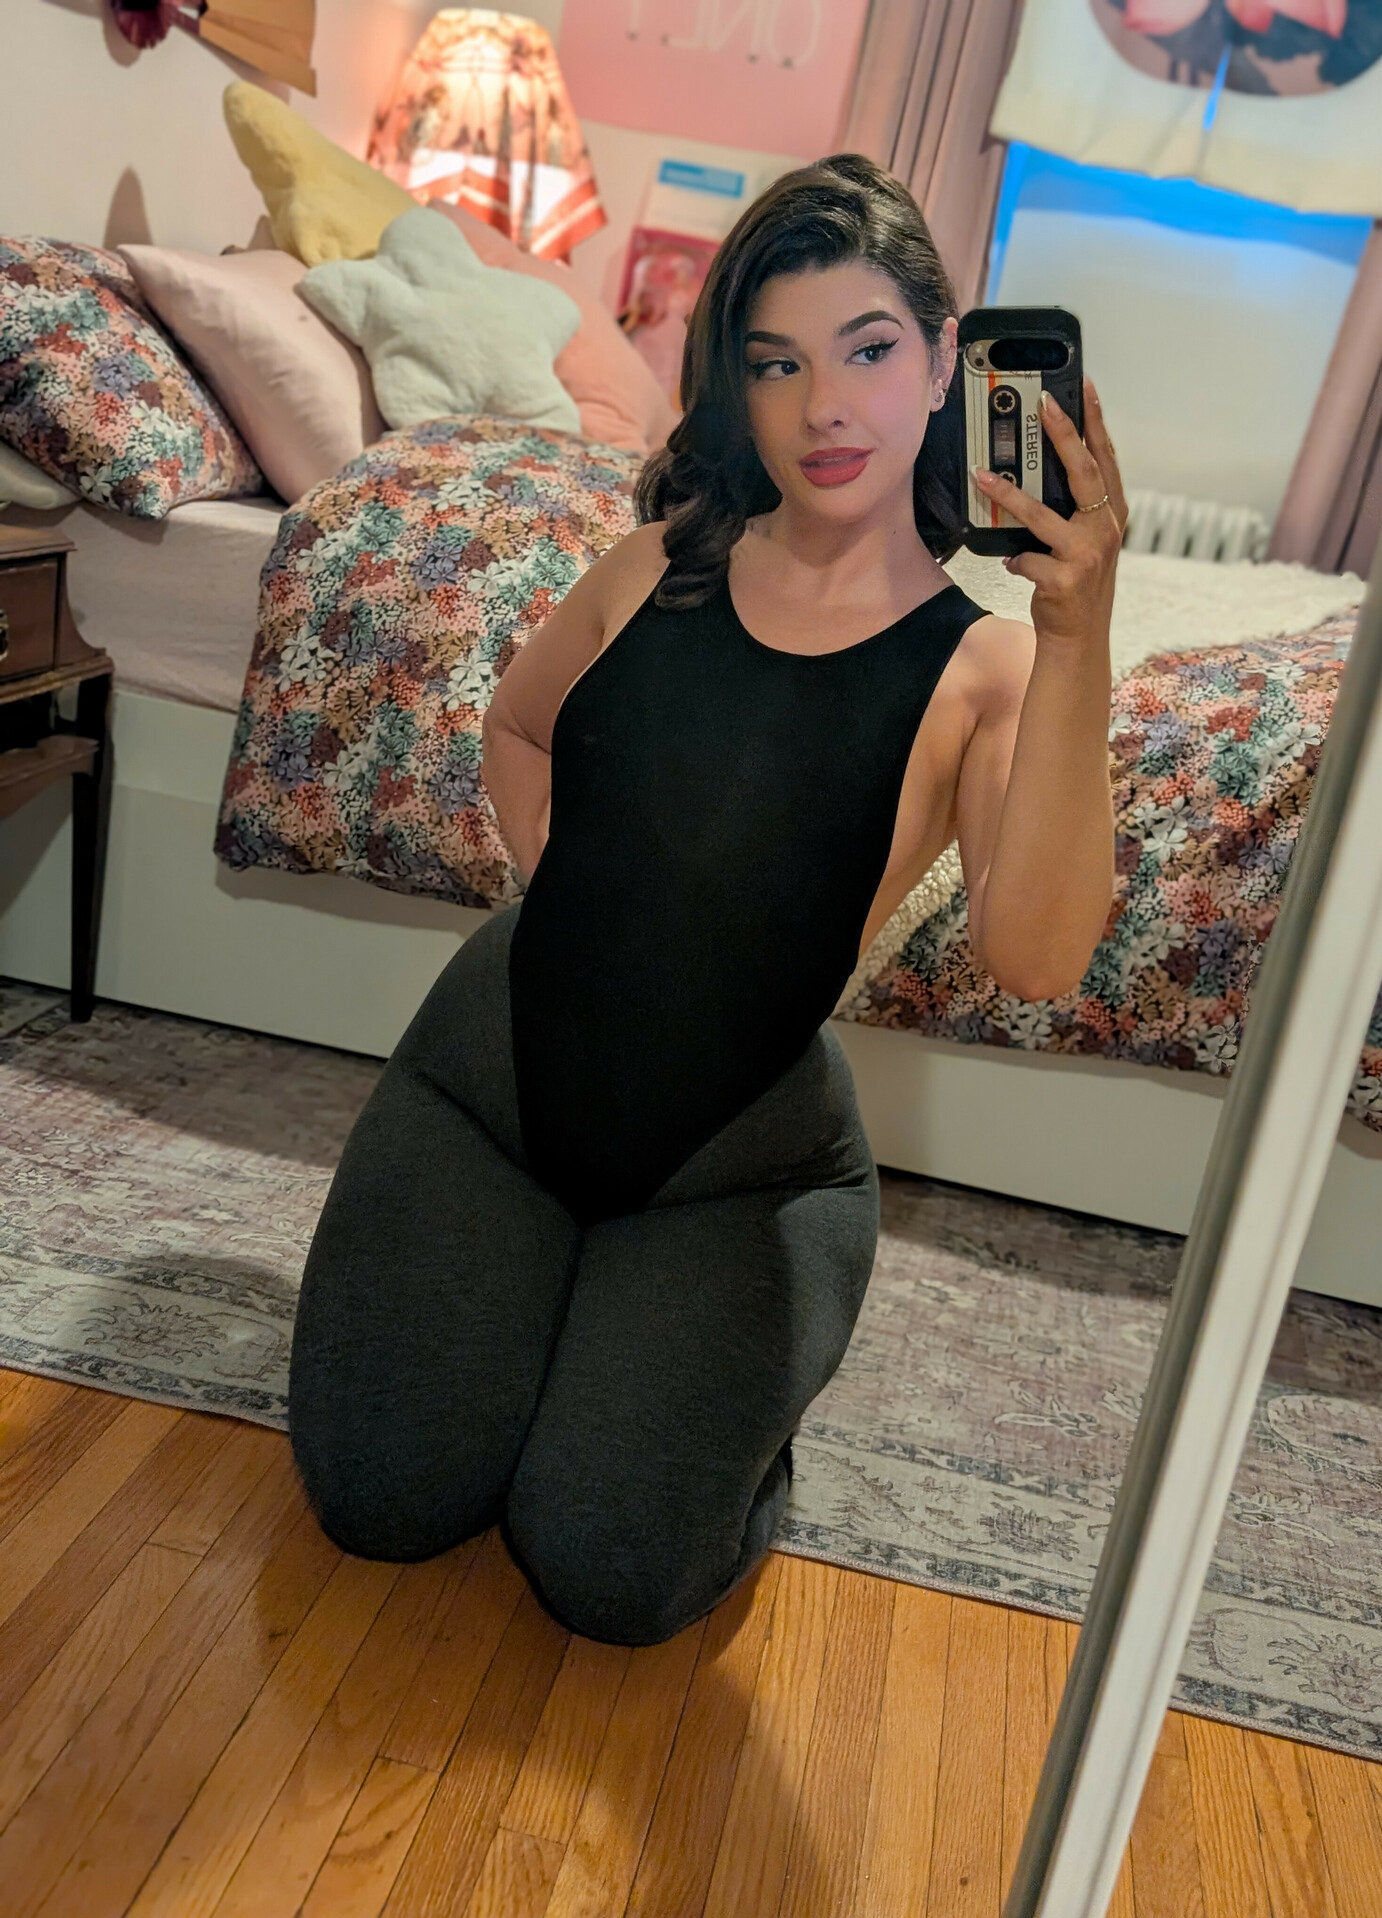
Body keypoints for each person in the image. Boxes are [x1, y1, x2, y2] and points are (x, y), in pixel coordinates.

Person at [287, 153, 1127, 1648]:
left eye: (868, 351)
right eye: (776, 362)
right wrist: (585, 906)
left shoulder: (989, 666)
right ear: (737, 385)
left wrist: (1078, 635)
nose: (825, 409)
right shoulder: (655, 565)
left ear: (946, 363)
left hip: (736, 1161)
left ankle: (707, 1389)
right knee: (379, 1502)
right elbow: (518, 726)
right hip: (494, 1083)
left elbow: (1040, 958)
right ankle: (557, 1309)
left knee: (613, 1577)